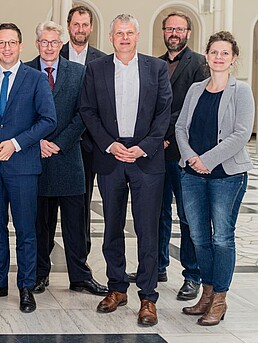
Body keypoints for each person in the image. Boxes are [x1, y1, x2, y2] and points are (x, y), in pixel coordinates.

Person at [79, 14, 172, 326]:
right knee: (112, 227)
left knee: (147, 230)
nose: (124, 38)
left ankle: (148, 297)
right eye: (119, 33)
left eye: (129, 32)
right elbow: (87, 110)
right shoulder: (96, 68)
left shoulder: (156, 68)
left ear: (137, 35)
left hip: (146, 158)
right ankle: (117, 288)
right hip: (111, 157)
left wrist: (144, 146)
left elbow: (164, 112)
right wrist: (109, 144)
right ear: (111, 37)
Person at [0, 23, 57, 313]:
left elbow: (47, 120)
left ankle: (26, 286)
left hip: (23, 166)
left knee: (25, 229)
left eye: (12, 43)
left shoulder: (35, 79)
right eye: (1, 43)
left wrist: (16, 144)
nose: (6, 48)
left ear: (20, 46)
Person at [176, 31, 254, 326]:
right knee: (198, 236)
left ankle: (219, 299)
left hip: (227, 177)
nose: (218, 57)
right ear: (206, 56)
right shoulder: (196, 89)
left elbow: (241, 133)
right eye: (214, 52)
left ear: (233, 59)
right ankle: (206, 293)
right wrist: (191, 158)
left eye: (225, 53)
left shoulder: (241, 91)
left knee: (222, 237)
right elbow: (181, 127)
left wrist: (206, 160)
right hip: (192, 175)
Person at [129, 11, 208, 300]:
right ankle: (157, 266)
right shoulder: (155, 64)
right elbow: (150, 106)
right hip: (156, 154)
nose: (174, 33)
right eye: (169, 28)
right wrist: (153, 138)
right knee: (155, 213)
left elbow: (194, 108)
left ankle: (192, 275)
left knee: (188, 217)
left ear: (189, 32)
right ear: (163, 31)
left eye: (180, 29)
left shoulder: (200, 64)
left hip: (184, 154)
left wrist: (163, 133)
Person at [25, 21, 107, 297]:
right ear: (37, 44)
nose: (49, 47)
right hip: (34, 158)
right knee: (39, 224)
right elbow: (20, 114)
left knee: (75, 223)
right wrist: (37, 142)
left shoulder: (79, 72)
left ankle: (80, 276)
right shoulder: (25, 72)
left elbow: (84, 113)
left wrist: (58, 143)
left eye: (54, 42)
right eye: (44, 42)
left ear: (62, 44)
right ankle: (38, 274)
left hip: (69, 157)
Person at [60, 5, 106, 255]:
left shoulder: (101, 60)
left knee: (83, 203)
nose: (80, 29)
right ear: (69, 26)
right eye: (76, 24)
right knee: (48, 205)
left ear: (91, 27)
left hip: (88, 144)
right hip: (56, 142)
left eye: (85, 24)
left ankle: (81, 257)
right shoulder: (57, 53)